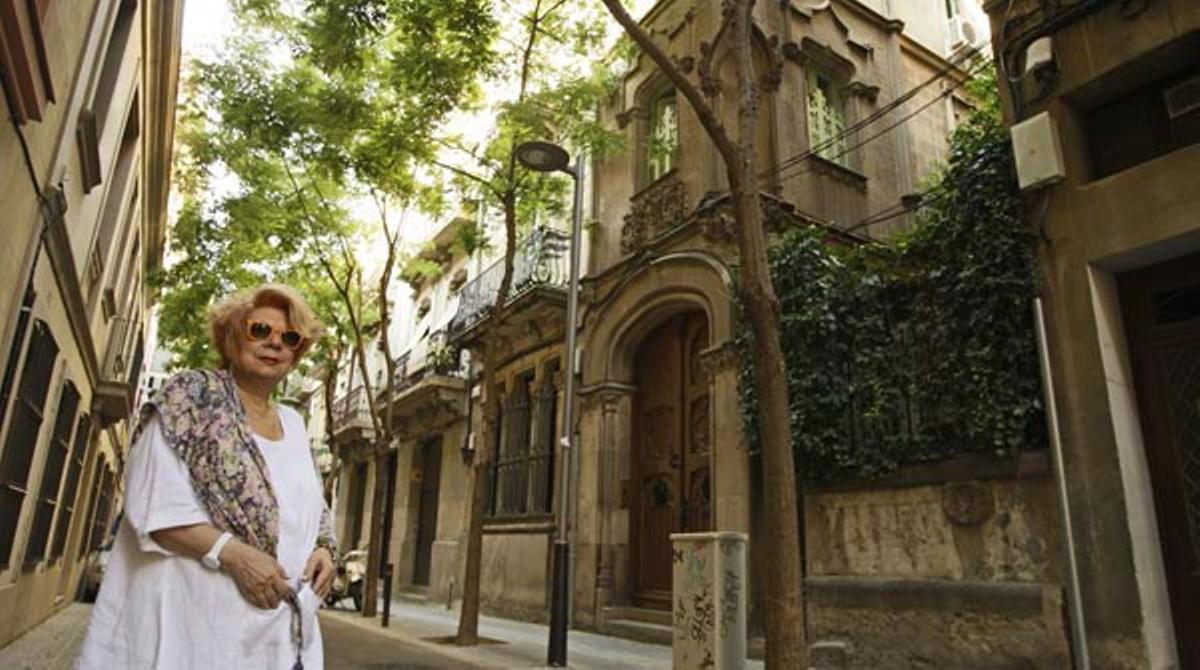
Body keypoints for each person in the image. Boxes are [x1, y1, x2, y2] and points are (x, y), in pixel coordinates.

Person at [77, 284, 337, 669]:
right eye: (260, 330)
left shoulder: (296, 425)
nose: (276, 343)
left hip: (277, 642)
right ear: (233, 335)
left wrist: (323, 549)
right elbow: (152, 502)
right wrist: (233, 554)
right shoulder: (192, 395)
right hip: (194, 631)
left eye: (290, 338)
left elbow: (313, 511)